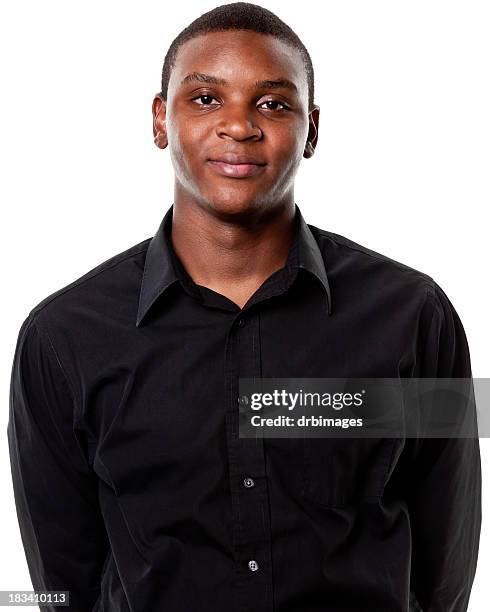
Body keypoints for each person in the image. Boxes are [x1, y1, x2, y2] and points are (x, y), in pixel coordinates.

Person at [7, 2, 481, 611]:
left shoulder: (416, 316)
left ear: (311, 129)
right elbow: (62, 585)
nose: (239, 126)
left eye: (272, 103)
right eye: (206, 98)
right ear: (160, 120)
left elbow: (446, 568)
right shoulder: (61, 337)